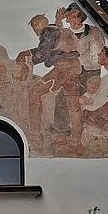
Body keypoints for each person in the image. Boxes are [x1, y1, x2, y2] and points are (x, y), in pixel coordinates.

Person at [17, 14, 82, 145]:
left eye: (34, 28)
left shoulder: (48, 31)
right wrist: (28, 53)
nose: (35, 32)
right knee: (73, 105)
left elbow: (42, 54)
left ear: (37, 24)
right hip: (75, 68)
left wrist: (25, 56)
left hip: (62, 69)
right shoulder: (63, 30)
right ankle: (76, 142)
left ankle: (35, 134)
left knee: (34, 93)